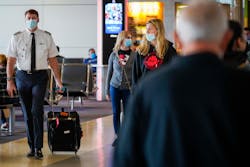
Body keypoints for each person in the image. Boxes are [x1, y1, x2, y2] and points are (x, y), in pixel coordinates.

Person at [113, 1, 250, 167]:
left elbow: (126, 157)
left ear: (177, 37)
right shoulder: (242, 86)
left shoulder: (149, 89)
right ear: (227, 37)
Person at [6, 9, 63, 159]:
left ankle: (38, 148)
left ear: (38, 20)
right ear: (25, 20)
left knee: (36, 111)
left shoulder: (46, 36)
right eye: (28, 18)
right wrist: (9, 81)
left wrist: (58, 80)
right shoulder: (17, 37)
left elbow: (53, 61)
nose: (31, 20)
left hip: (40, 77)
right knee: (26, 113)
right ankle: (32, 147)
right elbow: (11, 60)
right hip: (21, 77)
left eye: (34, 18)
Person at [105, 30, 136, 147]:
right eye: (128, 37)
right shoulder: (114, 54)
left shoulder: (134, 55)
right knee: (116, 112)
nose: (130, 39)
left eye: (130, 37)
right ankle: (119, 135)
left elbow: (136, 73)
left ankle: (126, 135)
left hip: (129, 88)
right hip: (115, 87)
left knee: (128, 113)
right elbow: (109, 73)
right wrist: (106, 90)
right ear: (121, 39)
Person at [132, 18, 176, 90]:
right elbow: (136, 75)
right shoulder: (141, 50)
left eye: (150, 29)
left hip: (163, 91)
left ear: (158, 30)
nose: (147, 31)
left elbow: (174, 73)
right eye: (146, 29)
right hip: (145, 91)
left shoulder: (169, 50)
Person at [0, 54, 8, 131]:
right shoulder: (11, 71)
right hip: (11, 98)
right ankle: (4, 122)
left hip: (3, 99)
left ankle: (4, 122)